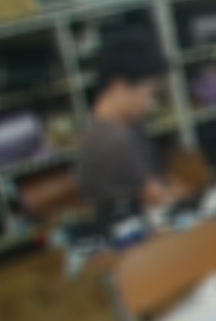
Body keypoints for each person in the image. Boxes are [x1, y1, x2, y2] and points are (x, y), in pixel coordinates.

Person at [74, 32, 177, 224]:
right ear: (119, 87)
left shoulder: (119, 127)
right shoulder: (112, 140)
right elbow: (158, 198)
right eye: (150, 93)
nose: (151, 104)